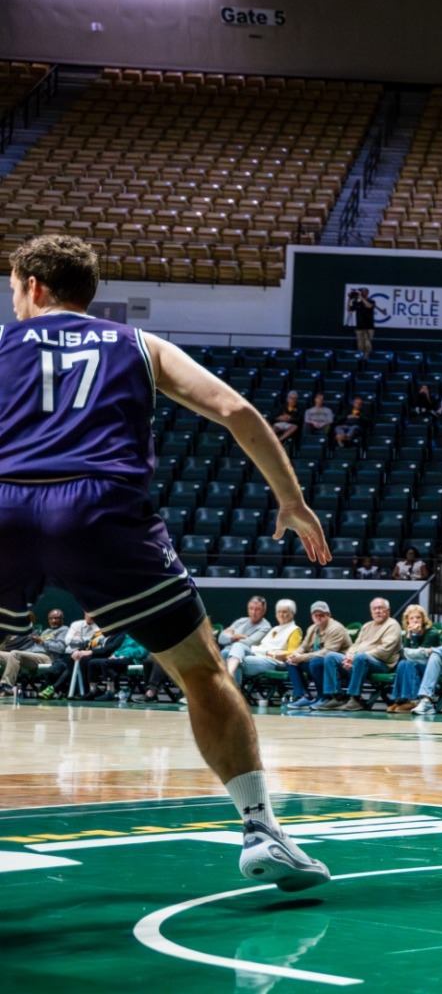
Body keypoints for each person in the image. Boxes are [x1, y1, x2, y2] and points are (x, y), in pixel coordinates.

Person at [0, 235, 332, 890]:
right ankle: (261, 829)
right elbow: (235, 410)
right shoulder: (139, 345)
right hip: (102, 511)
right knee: (201, 670)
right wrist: (291, 501)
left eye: (12, 290)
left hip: (5, 502)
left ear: (34, 287)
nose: (13, 302)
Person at [312, 597, 403, 712]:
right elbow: (355, 645)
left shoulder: (393, 625)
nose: (377, 611)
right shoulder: (367, 626)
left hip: (383, 664)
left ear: (388, 611)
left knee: (361, 657)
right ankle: (338, 697)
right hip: (359, 660)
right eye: (374, 609)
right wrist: (349, 656)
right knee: (331, 656)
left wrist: (355, 657)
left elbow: (385, 651)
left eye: (380, 608)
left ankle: (356, 698)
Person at [285, 601, 352, 708]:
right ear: (312, 616)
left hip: (339, 666)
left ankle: (325, 697)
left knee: (315, 662)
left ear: (329, 615)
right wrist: (295, 654)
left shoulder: (336, 628)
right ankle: (303, 696)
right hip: (318, 662)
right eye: (315, 615)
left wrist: (302, 657)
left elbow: (328, 652)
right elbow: (304, 646)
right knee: (291, 662)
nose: (318, 617)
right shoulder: (312, 628)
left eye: (322, 615)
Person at [347, 287, 385, 355]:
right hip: (359, 326)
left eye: (364, 292)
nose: (362, 293)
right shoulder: (357, 302)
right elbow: (349, 309)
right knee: (360, 344)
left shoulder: (371, 301)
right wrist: (349, 299)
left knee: (367, 344)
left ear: (367, 293)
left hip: (369, 326)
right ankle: (360, 358)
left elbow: (369, 306)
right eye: (361, 292)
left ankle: (366, 358)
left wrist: (360, 297)